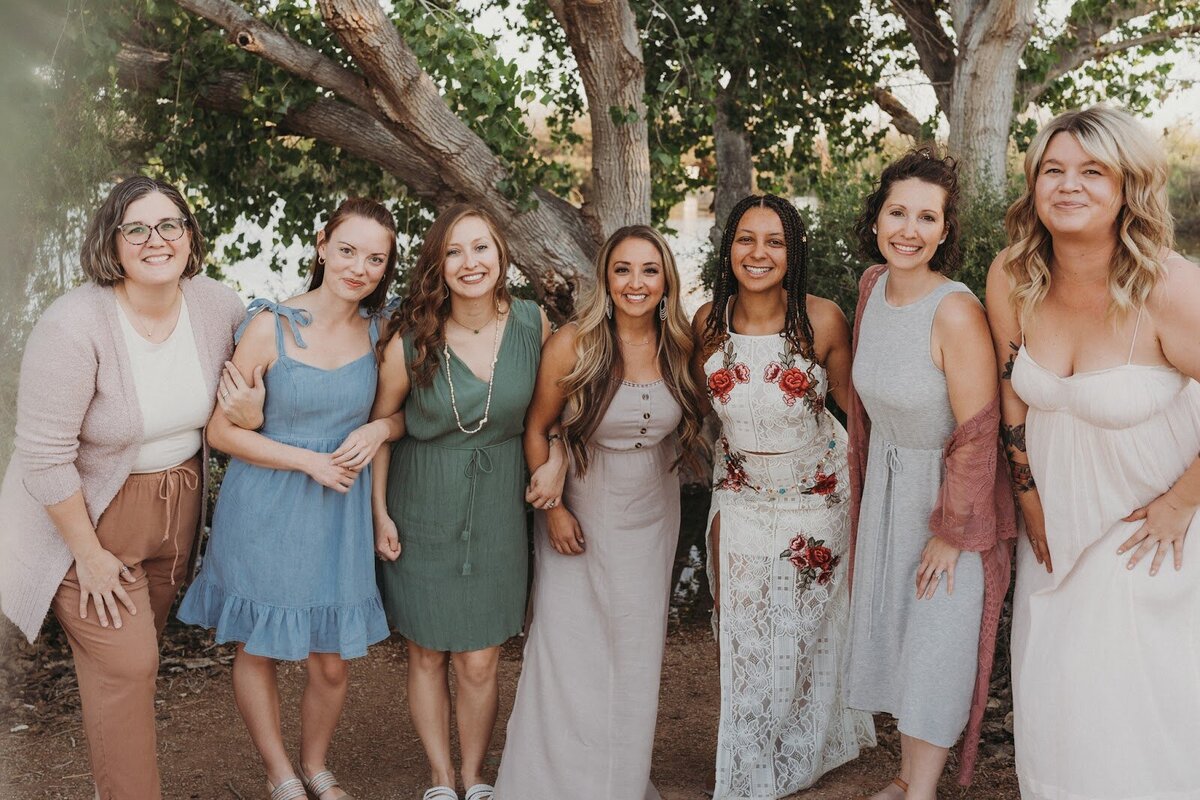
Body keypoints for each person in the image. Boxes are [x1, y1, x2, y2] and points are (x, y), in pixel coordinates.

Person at [0, 176, 247, 799]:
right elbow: (44, 455)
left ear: (191, 236)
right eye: (136, 228)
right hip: (80, 521)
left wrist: (250, 410)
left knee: (132, 665)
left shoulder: (220, 307)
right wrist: (88, 556)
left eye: (170, 225)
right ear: (111, 242)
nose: (155, 240)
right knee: (129, 666)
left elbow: (238, 407)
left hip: (176, 515)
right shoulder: (72, 325)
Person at [986, 105, 1200, 800]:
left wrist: (1179, 503)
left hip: (1152, 531)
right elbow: (1011, 390)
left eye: (1091, 170)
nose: (1068, 185)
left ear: (1128, 186)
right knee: (1055, 705)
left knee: (1135, 717)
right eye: (1053, 169)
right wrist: (1028, 500)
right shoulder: (1013, 276)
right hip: (1055, 527)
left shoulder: (1170, 287)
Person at [178, 198, 403, 800]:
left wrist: (379, 435)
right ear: (322, 244)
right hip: (267, 505)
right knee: (261, 647)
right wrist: (309, 460)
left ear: (386, 268)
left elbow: (397, 418)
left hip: (341, 513)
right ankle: (280, 773)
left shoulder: (383, 332)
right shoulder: (268, 324)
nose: (359, 267)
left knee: (331, 660)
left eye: (376, 259)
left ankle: (317, 765)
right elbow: (221, 432)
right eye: (349, 250)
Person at [493, 225, 705, 799]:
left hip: (652, 511)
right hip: (580, 505)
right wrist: (555, 510)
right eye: (623, 270)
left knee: (636, 651)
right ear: (605, 279)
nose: (636, 284)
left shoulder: (680, 346)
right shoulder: (574, 343)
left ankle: (621, 782)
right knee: (569, 645)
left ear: (667, 281)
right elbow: (537, 429)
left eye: (649, 271)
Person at [371, 204, 563, 800]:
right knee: (427, 652)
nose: (470, 262)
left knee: (479, 659)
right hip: (421, 501)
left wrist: (556, 456)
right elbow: (380, 427)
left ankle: (476, 776)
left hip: (501, 505)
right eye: (455, 251)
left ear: (502, 255)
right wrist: (378, 513)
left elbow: (556, 415)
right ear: (439, 263)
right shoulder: (411, 338)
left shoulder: (533, 324)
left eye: (481, 248)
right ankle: (439, 778)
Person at [843, 148, 1015, 799]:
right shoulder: (871, 288)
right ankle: (906, 776)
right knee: (899, 642)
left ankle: (922, 793)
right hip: (888, 493)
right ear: (877, 216)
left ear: (946, 231)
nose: (908, 230)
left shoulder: (955, 312)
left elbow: (978, 434)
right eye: (897, 212)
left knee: (938, 650)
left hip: (948, 503)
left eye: (926, 217)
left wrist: (953, 529)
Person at [694, 194, 875, 799]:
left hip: (818, 495)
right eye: (746, 239)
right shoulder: (704, 322)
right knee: (743, 630)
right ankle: (748, 766)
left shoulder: (821, 319)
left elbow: (857, 410)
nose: (759, 253)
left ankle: (799, 750)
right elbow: (692, 411)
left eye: (775, 241)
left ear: (793, 252)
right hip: (741, 492)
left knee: (801, 633)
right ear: (729, 249)